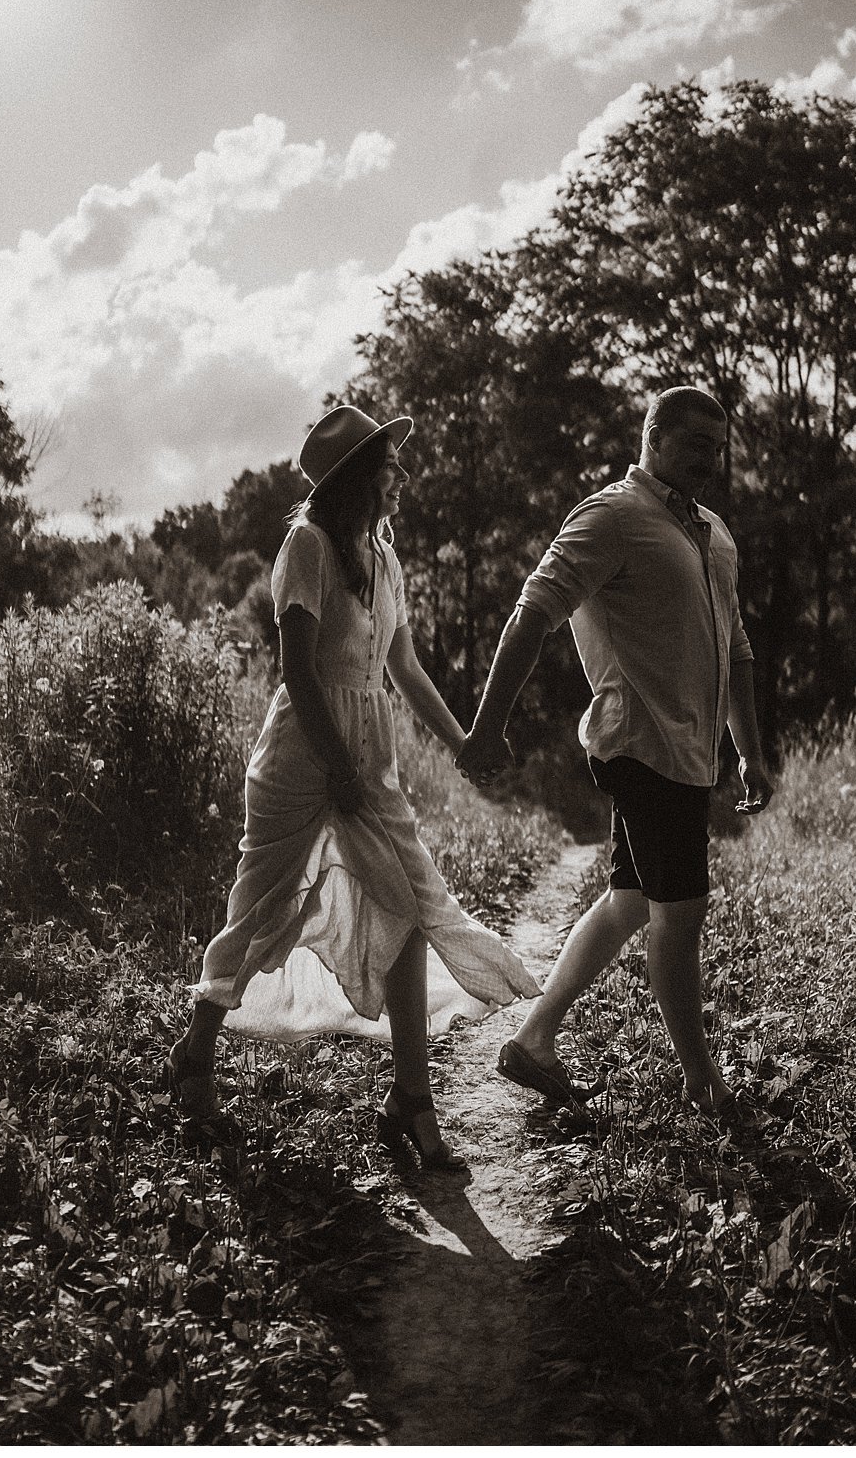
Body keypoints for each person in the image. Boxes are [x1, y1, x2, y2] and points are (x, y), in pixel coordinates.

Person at [173, 405, 540, 1167]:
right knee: (263, 909)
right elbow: (297, 671)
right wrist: (336, 765)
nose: (398, 476)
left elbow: (403, 668)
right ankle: (197, 1051)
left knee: (408, 907)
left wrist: (465, 742)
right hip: (305, 755)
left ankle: (412, 1099)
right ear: (355, 478)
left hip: (371, 757)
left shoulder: (385, 556)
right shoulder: (306, 546)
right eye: (387, 464)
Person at [460, 385, 774, 1121]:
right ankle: (703, 1082)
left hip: (690, 749)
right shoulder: (612, 516)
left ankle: (534, 1039)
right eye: (697, 442)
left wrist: (750, 752)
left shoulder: (714, 534)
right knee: (682, 907)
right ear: (654, 437)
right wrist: (487, 724)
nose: (713, 457)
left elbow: (737, 648)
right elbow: (533, 611)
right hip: (639, 741)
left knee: (632, 899)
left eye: (720, 445)